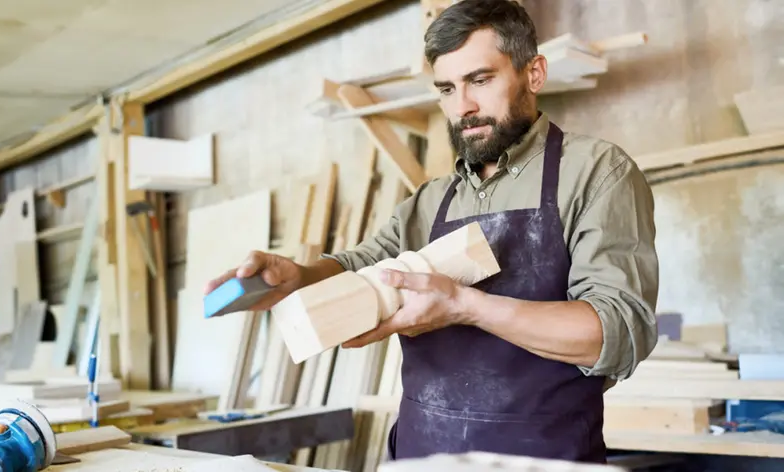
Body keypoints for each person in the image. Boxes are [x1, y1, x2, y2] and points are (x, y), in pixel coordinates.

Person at [205, 0, 659, 464]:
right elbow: (362, 266)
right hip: (424, 455)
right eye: (447, 88)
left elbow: (615, 332)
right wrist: (298, 276)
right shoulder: (431, 200)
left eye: (480, 81)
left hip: (542, 457)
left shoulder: (596, 172)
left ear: (534, 73)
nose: (462, 106)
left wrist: (466, 306)